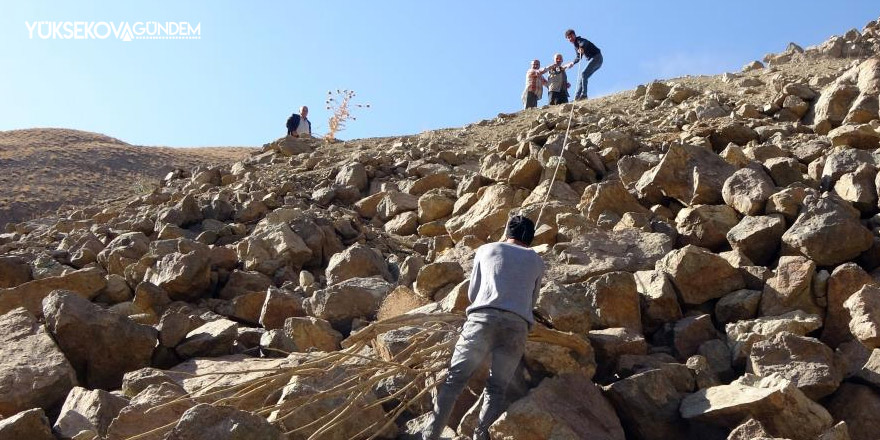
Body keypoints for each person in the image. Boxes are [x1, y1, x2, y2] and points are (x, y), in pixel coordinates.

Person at [423, 215, 545, 440]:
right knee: (496, 388)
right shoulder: (537, 260)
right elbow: (532, 300)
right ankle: (481, 437)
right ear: (530, 237)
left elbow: (472, 293)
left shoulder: (485, 249)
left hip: (481, 320)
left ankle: (431, 436)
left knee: (454, 381)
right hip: (516, 328)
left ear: (507, 232)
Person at [563, 29, 602, 100]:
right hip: (596, 60)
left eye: (571, 36)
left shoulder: (579, 40)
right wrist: (573, 63)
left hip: (597, 57)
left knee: (583, 74)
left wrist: (581, 47)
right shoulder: (575, 46)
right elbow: (578, 57)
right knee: (583, 77)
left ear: (574, 35)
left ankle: (584, 95)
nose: (570, 38)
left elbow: (584, 43)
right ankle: (577, 97)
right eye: (568, 38)